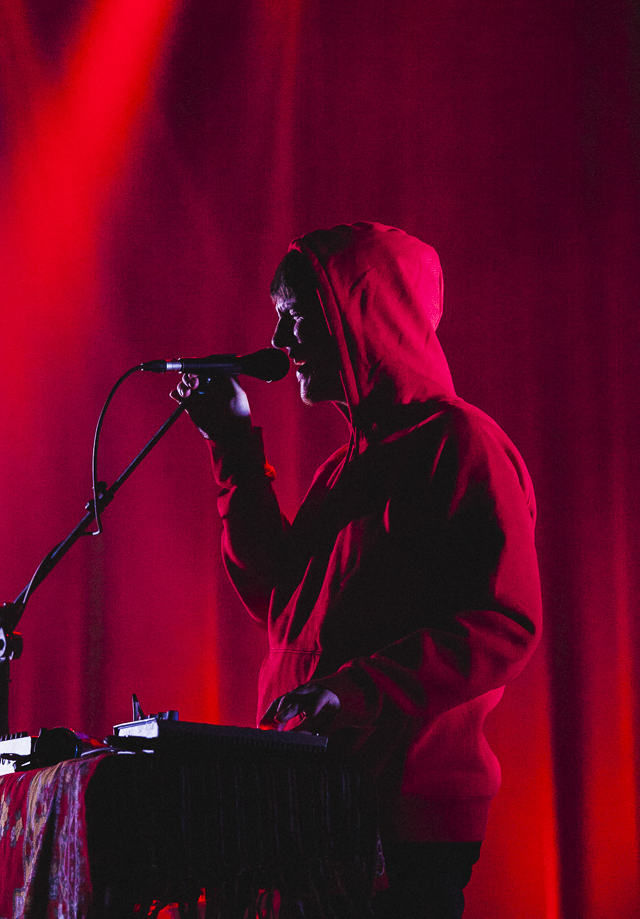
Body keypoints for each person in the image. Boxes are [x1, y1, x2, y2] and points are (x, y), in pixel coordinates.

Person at [174, 222, 542, 918]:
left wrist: (355, 692)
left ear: (363, 314)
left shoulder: (459, 444)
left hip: (400, 807)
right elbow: (281, 604)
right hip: (318, 793)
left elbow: (503, 620)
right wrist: (233, 450)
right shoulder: (342, 469)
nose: (281, 344)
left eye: (297, 317)